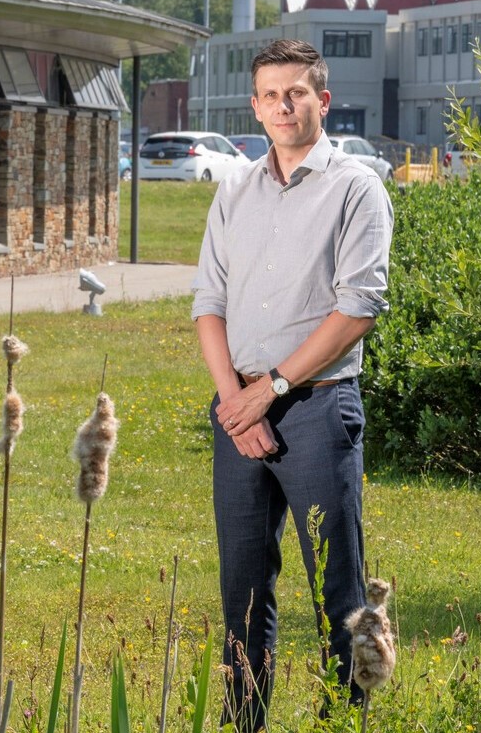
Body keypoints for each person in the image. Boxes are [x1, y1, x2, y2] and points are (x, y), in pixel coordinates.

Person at [190, 39, 392, 731]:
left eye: (296, 93)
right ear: (254, 106)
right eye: (270, 94)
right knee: (242, 592)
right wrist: (235, 402)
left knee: (336, 587)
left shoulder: (356, 188)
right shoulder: (235, 190)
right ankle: (243, 720)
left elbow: (357, 310)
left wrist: (270, 388)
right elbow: (207, 303)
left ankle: (345, 718)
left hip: (316, 409)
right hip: (238, 410)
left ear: (322, 100)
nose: (282, 105)